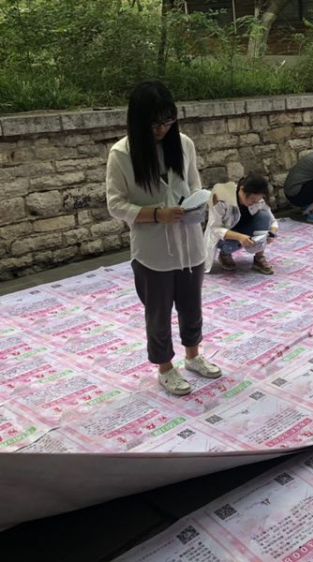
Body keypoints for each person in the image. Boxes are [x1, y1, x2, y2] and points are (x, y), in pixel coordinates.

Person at [106, 80, 222, 396]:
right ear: (138, 122)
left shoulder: (183, 144)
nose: (162, 130)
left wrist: (201, 201)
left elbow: (194, 184)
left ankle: (193, 356)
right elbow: (115, 204)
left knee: (192, 305)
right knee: (158, 313)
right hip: (153, 250)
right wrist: (157, 214)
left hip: (189, 244)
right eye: (155, 124)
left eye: (168, 122)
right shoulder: (121, 154)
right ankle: (165, 367)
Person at [204, 173, 279, 274]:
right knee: (230, 244)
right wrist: (240, 237)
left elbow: (272, 220)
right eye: (252, 199)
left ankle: (259, 257)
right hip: (228, 235)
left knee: (264, 216)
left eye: (257, 200)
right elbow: (215, 229)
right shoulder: (221, 198)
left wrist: (272, 234)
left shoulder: (259, 200)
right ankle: (225, 254)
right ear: (242, 190)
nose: (254, 203)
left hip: (245, 230)